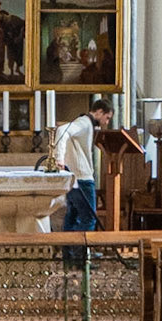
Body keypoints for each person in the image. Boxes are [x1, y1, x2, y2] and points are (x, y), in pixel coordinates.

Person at [57, 96, 113, 244]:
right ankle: (80, 255)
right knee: (88, 219)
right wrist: (59, 158)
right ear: (99, 112)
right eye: (107, 118)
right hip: (82, 179)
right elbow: (62, 130)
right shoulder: (84, 123)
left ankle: (69, 256)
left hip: (75, 177)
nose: (106, 122)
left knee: (72, 216)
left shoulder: (86, 123)